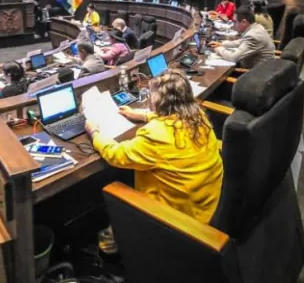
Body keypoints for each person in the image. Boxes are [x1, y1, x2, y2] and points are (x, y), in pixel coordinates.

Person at [86, 71, 223, 254]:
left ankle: (111, 253)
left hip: (177, 219)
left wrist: (94, 132)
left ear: (160, 101)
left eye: (151, 95)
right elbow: (171, 118)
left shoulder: (155, 135)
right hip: (207, 205)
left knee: (114, 193)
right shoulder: (198, 115)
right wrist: (141, 115)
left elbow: (115, 154)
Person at [211, 8, 275, 68]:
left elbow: (233, 58)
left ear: (244, 22)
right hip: (261, 69)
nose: (233, 25)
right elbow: (242, 41)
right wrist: (222, 44)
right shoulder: (257, 27)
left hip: (254, 75)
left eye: (235, 22)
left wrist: (219, 49)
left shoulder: (253, 35)